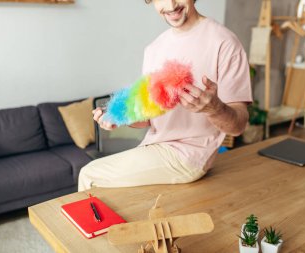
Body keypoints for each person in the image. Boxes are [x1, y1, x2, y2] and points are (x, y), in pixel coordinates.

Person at [77, 0, 252, 191]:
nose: (170, 4)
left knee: (89, 174)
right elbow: (149, 119)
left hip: (189, 155)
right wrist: (120, 116)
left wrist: (215, 109)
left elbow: (238, 126)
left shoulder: (225, 43)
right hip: (153, 147)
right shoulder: (154, 49)